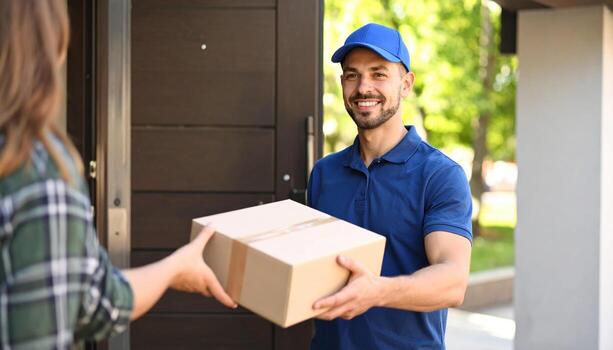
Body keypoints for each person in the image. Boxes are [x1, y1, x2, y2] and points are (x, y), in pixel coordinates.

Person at [0, 1, 235, 348]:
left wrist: (173, 268)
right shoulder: (39, 173)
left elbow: (91, 301)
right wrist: (175, 268)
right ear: (47, 49)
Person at [308, 23, 473, 350]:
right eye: (352, 75)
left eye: (379, 73)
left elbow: (453, 281)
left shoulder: (439, 175)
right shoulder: (324, 173)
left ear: (406, 83)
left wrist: (377, 292)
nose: (363, 87)